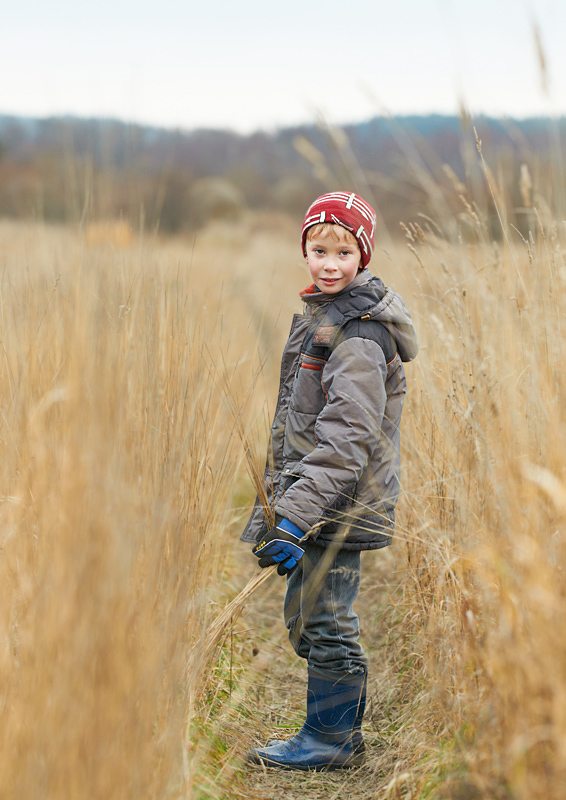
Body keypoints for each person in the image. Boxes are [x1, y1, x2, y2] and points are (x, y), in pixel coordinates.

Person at [240, 191, 418, 771]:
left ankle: (332, 741)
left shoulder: (360, 336)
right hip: (321, 498)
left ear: (363, 256)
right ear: (305, 251)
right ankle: (335, 732)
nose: (330, 263)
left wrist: (296, 515)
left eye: (344, 251)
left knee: (326, 618)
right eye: (319, 250)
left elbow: (346, 441)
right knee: (307, 617)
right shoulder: (327, 319)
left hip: (340, 504)